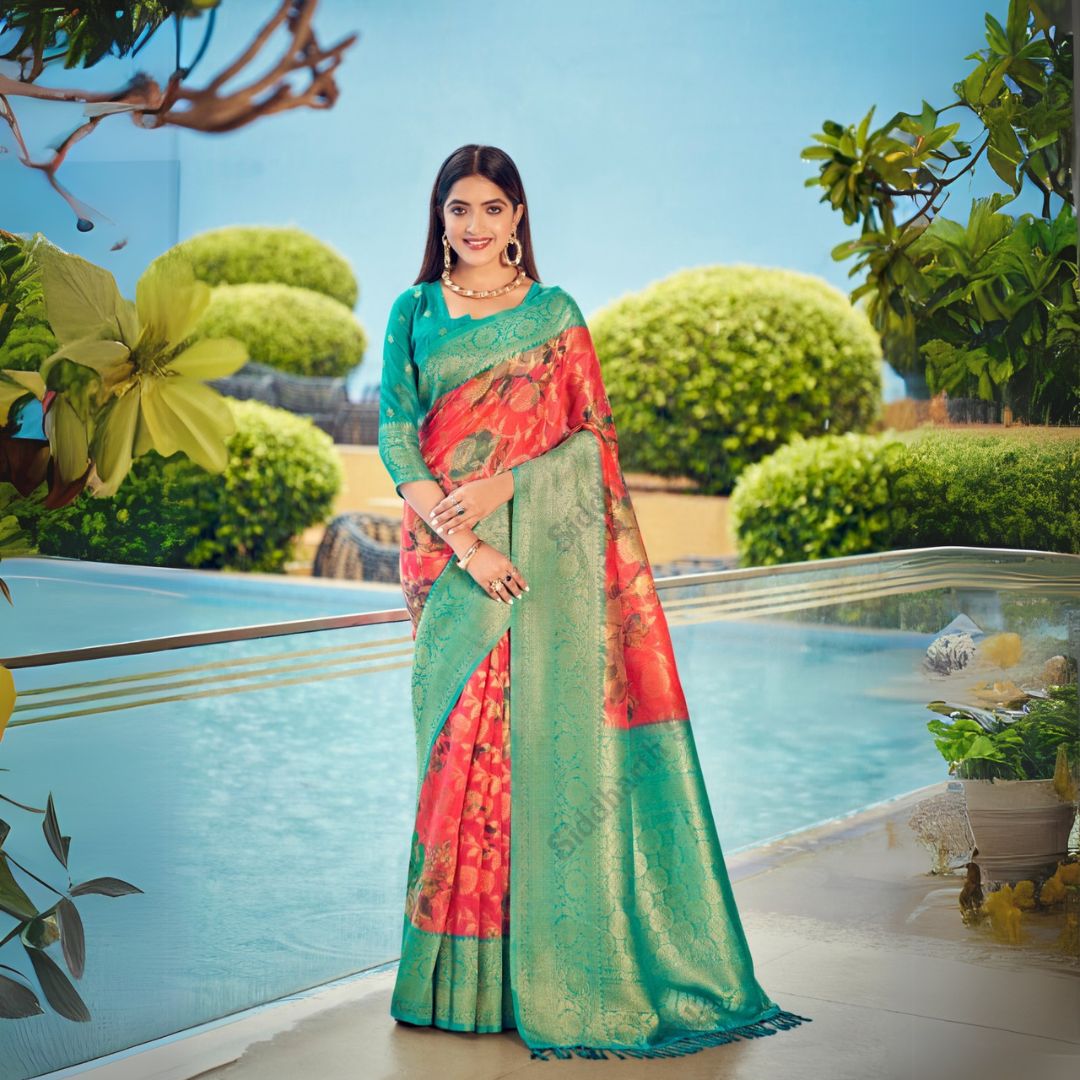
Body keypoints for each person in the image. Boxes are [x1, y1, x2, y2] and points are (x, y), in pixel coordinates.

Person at [378, 143, 811, 1061]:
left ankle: (537, 974)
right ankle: (449, 984)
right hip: (448, 565)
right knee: (455, 760)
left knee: (529, 757)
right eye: (460, 209)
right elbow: (394, 434)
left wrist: (508, 493)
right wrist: (465, 540)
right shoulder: (413, 310)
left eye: (493, 208)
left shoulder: (556, 316)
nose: (476, 225)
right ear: (440, 219)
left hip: (540, 565)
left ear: (519, 217)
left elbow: (593, 446)